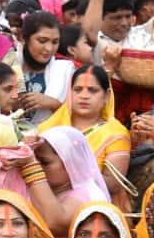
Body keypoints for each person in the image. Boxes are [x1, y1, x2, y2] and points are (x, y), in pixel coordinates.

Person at [36, 65, 130, 196]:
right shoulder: (49, 128)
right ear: (69, 93)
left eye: (92, 90)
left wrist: (69, 173)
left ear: (107, 96)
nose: (84, 96)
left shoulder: (115, 134)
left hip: (94, 207)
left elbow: (113, 185)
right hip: (46, 200)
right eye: (78, 90)